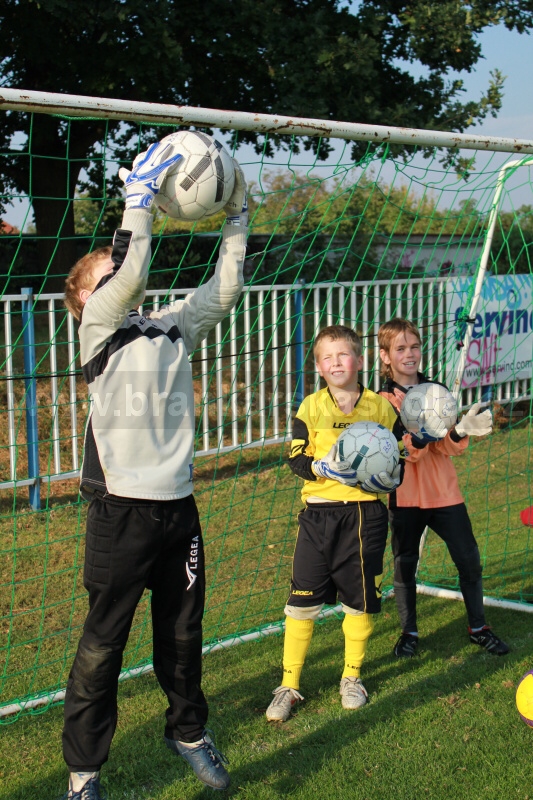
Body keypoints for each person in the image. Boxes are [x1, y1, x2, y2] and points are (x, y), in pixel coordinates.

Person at [61, 139, 249, 799]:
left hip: (179, 507)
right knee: (102, 647)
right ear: (86, 300)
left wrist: (237, 216)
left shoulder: (170, 329)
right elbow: (133, 268)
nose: (114, 271)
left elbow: (223, 291)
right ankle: (84, 772)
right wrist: (135, 204)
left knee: (182, 632)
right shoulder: (98, 333)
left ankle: (188, 730)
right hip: (120, 514)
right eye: (100, 272)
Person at [265, 325, 404, 722]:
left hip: (364, 515)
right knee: (300, 602)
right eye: (328, 358)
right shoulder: (310, 407)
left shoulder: (380, 407)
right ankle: (289, 684)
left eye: (343, 355)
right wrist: (321, 467)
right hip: (318, 517)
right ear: (319, 368)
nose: (336, 362)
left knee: (357, 601)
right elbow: (294, 459)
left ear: (359, 361)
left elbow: (400, 462)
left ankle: (352, 677)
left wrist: (388, 475)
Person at [377, 317, 509, 659]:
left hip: (444, 492)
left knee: (469, 559)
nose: (410, 354)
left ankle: (479, 627)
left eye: (415, 346)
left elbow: (444, 448)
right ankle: (409, 633)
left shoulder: (435, 391)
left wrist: (462, 429)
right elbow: (403, 451)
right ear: (385, 356)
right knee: (404, 563)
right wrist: (421, 435)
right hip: (404, 496)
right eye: (400, 348)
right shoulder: (380, 401)